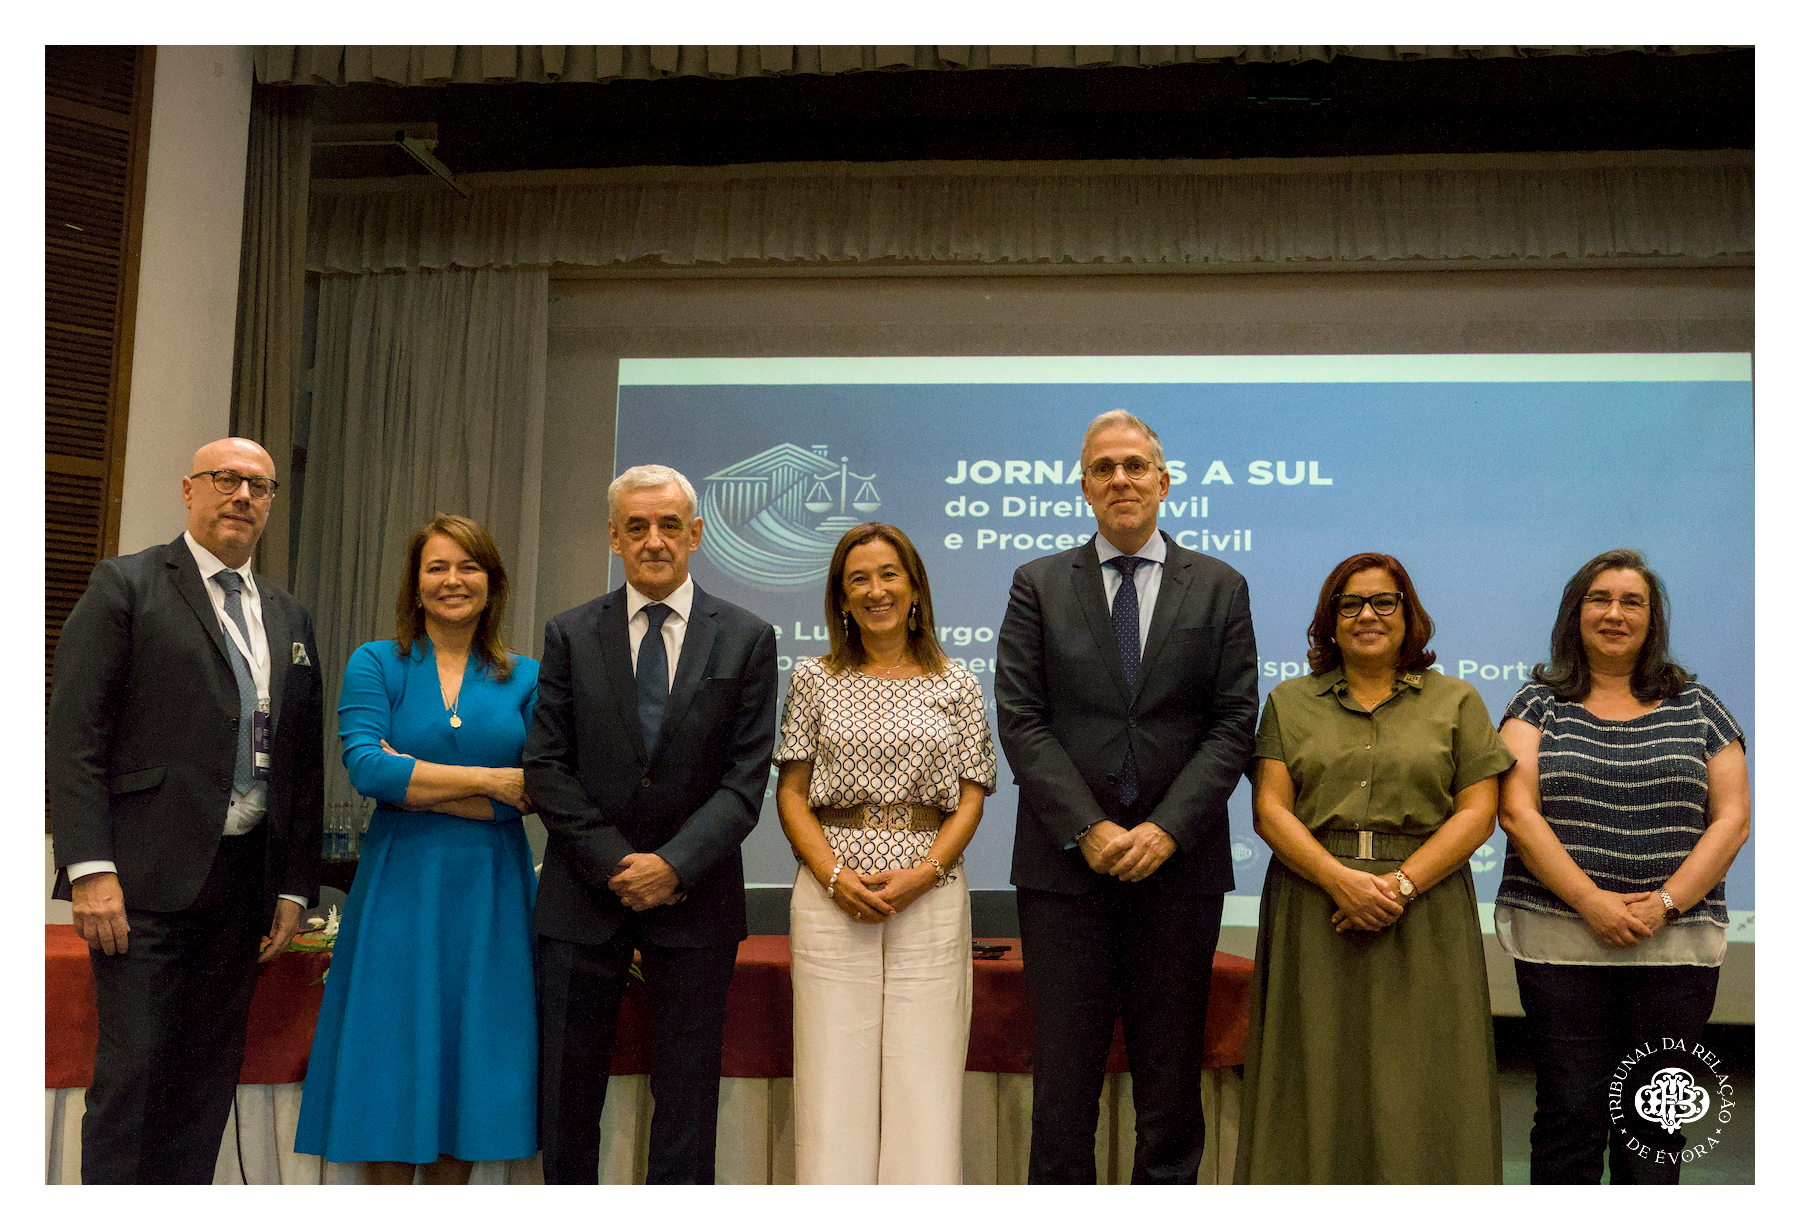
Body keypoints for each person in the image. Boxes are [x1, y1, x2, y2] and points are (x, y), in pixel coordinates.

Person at [47, 437, 324, 1183]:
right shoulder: (127, 585)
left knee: (204, 1084)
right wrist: (89, 868)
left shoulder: (288, 615)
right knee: (133, 1080)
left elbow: (301, 764)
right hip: (142, 883)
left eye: (258, 486)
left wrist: (294, 886)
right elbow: (74, 736)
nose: (242, 496)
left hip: (243, 889)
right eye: (225, 480)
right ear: (188, 490)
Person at [993, 409, 1258, 1184]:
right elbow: (1020, 717)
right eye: (1103, 467)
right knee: (1063, 1084)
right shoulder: (1038, 583)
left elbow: (1233, 720)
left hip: (1178, 871)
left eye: (1134, 465)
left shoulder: (1219, 585)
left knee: (1171, 1084)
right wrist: (1091, 828)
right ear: (1082, 486)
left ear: (1163, 481)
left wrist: (1166, 830)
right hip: (1064, 872)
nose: (1120, 479)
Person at [524, 463, 779, 1184]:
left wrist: (672, 863)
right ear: (613, 536)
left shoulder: (748, 636)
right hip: (582, 897)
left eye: (669, 525)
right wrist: (615, 863)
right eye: (636, 526)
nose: (654, 540)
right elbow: (546, 765)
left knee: (687, 1100)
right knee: (568, 1098)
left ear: (696, 533)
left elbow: (744, 778)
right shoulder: (570, 632)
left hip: (695, 900)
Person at [1235, 552, 1513, 1183]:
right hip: (1314, 902)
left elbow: (1478, 812)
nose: (1368, 615)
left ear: (1408, 616)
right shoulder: (1288, 701)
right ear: (1328, 622)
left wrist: (1400, 883)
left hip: (1425, 903)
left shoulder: (1457, 700)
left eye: (1385, 602)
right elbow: (1270, 811)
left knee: (1424, 1075)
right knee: (1313, 1072)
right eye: (1351, 603)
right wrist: (1340, 881)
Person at [293, 514, 539, 1183]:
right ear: (416, 582)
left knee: (469, 1059)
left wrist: (417, 780)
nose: (453, 580)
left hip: (491, 891)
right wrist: (489, 780)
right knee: (394, 1057)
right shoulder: (377, 662)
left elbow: (539, 789)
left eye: (468, 566)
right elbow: (367, 769)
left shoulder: (528, 676)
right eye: (437, 566)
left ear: (493, 582)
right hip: (401, 882)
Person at [1495, 548, 1750, 1184]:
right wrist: (1591, 902)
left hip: (1675, 952)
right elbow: (1518, 813)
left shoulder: (1699, 705)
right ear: (1574, 614)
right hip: (1561, 945)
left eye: (1631, 602)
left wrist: (1666, 902)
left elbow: (1733, 819)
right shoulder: (1536, 705)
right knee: (1569, 1116)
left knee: (1653, 1127)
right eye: (1600, 600)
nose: (1615, 614)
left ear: (1651, 619)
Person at [774, 523, 997, 1183]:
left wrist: (924, 873)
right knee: (829, 1083)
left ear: (914, 586)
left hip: (930, 893)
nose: (876, 590)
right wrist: (833, 874)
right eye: (858, 579)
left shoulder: (955, 680)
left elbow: (971, 797)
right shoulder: (814, 677)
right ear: (840, 598)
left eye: (888, 574)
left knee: (922, 1084)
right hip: (829, 895)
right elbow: (791, 794)